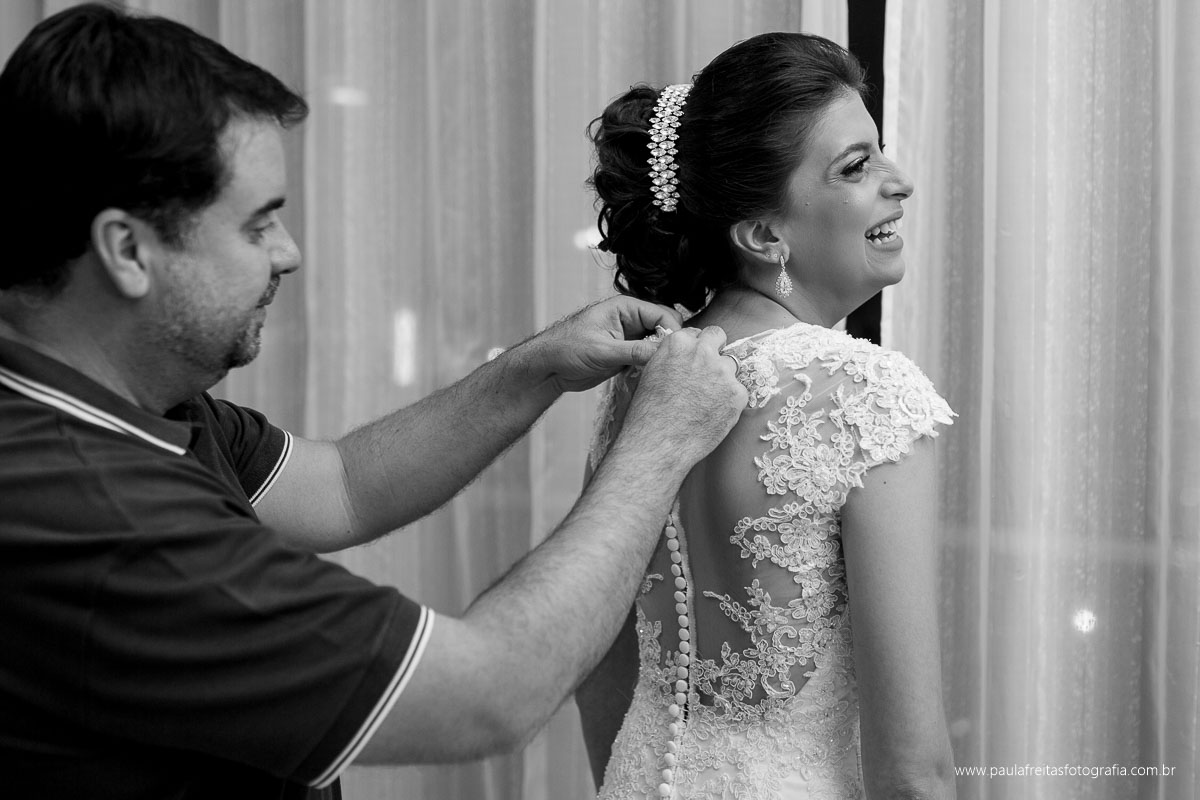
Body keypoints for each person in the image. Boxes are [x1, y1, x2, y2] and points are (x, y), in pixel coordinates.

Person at [0, 4, 748, 799]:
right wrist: (658, 442)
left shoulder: (125, 397)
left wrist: (537, 367)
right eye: (257, 226)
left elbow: (343, 486)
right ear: (127, 250)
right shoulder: (90, 512)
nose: (289, 254)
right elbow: (490, 695)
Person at [576, 32, 957, 799]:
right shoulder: (864, 395)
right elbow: (913, 771)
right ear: (763, 234)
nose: (901, 182)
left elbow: (595, 667)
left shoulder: (642, 382)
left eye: (880, 153)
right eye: (857, 167)